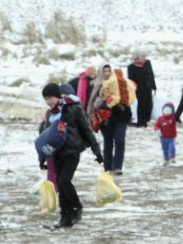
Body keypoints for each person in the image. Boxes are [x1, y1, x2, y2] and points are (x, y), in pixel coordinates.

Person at [40, 83, 103, 229]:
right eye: (46, 99)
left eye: (51, 98)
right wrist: (43, 157)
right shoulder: (50, 114)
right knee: (61, 185)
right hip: (57, 153)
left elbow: (86, 130)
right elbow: (45, 137)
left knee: (63, 181)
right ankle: (65, 217)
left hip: (72, 151)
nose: (49, 101)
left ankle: (77, 207)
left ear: (58, 96)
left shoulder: (73, 108)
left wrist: (97, 151)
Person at [99, 67, 136, 175]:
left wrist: (119, 104)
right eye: (104, 71)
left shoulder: (124, 85)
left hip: (121, 116)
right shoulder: (99, 84)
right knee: (108, 142)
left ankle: (118, 166)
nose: (106, 73)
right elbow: (95, 101)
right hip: (106, 117)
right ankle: (107, 167)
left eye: (108, 71)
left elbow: (131, 98)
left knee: (120, 140)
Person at [127, 52, 157, 127]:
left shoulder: (148, 63)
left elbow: (151, 75)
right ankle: (139, 121)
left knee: (148, 104)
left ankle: (146, 120)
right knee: (140, 105)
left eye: (145, 56)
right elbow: (131, 79)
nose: (144, 58)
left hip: (148, 88)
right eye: (142, 56)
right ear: (137, 57)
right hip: (138, 89)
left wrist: (154, 86)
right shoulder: (131, 67)